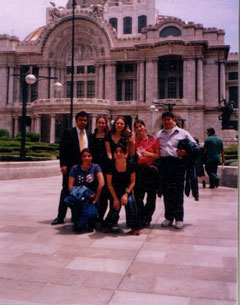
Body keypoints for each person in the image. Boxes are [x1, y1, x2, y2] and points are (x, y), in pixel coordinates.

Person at [156, 111, 198, 229]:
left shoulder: (183, 133)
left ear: (173, 120)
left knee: (178, 191)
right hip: (164, 164)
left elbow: (194, 147)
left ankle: (179, 218)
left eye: (169, 119)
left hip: (178, 164)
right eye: (164, 120)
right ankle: (168, 217)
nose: (167, 122)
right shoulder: (159, 134)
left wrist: (186, 152)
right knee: (167, 192)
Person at [51, 111, 90, 225]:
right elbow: (62, 149)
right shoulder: (68, 133)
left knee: (80, 192)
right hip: (71, 168)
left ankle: (76, 215)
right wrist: (63, 164)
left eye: (85, 120)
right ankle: (60, 216)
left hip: (83, 168)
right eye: (81, 120)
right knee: (66, 191)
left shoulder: (88, 134)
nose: (83, 122)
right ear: (76, 121)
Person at [102, 144, 141, 235]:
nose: (118, 154)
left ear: (125, 154)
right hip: (114, 190)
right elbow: (109, 184)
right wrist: (115, 199)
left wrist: (126, 194)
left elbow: (133, 182)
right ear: (113, 154)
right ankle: (107, 224)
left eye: (121, 152)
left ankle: (135, 227)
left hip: (127, 189)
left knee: (130, 203)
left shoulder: (131, 164)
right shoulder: (110, 164)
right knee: (115, 207)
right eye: (116, 152)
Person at [68, 148, 105, 232]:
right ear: (81, 158)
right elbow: (70, 186)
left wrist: (96, 198)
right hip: (79, 196)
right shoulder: (75, 168)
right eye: (84, 156)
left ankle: (83, 222)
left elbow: (102, 182)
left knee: (91, 214)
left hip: (92, 197)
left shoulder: (96, 167)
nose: (87, 158)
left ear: (92, 157)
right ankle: (81, 222)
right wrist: (81, 194)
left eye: (89, 156)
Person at [133, 119, 160, 227]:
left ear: (145, 127)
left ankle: (147, 217)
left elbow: (157, 155)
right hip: (139, 169)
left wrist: (148, 154)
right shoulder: (134, 141)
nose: (139, 128)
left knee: (151, 196)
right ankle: (141, 216)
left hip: (150, 169)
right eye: (136, 127)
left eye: (140, 126)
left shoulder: (153, 139)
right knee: (138, 196)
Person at [89, 115, 110, 222]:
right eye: (99, 122)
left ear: (106, 124)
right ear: (96, 124)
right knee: (94, 190)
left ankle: (101, 216)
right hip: (94, 167)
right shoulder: (91, 136)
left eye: (103, 123)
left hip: (105, 167)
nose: (101, 124)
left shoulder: (109, 136)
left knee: (104, 193)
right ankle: (93, 214)